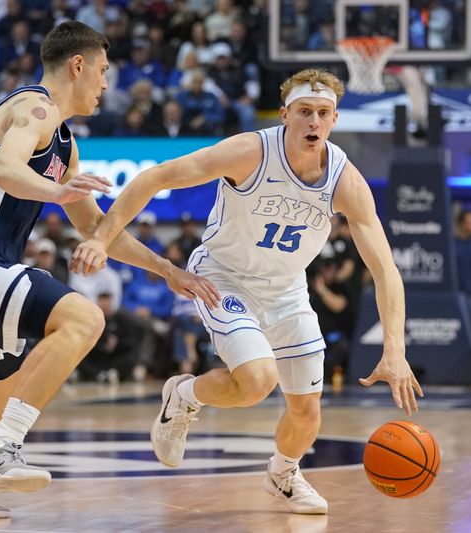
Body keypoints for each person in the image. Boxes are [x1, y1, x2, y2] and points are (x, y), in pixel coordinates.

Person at [71, 68, 422, 515]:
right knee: (257, 380)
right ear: (284, 116)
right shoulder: (250, 152)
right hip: (224, 276)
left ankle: (283, 474)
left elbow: (385, 269)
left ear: (334, 120)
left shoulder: (345, 180)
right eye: (304, 112)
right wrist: (101, 239)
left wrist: (395, 349)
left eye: (322, 113)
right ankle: (183, 397)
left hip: (287, 290)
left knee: (307, 412)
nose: (313, 122)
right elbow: (154, 178)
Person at [0, 21, 218, 519]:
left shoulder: (64, 143)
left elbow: (97, 229)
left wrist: (166, 269)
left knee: (0, 386)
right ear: (78, 65)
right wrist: (57, 192)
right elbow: (3, 169)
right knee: (84, 318)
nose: (104, 83)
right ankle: (2, 451)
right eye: (101, 71)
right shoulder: (33, 107)